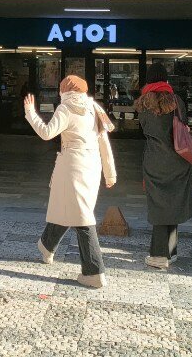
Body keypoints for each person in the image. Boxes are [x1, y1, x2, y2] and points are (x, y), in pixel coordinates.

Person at [23, 75, 117, 288]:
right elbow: (104, 141)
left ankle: (93, 272)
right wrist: (110, 173)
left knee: (82, 217)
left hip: (72, 167)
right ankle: (46, 245)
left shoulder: (65, 108)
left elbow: (47, 133)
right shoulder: (94, 107)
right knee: (69, 207)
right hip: (92, 166)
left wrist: (30, 113)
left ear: (64, 91)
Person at [136, 63, 192, 270]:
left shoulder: (143, 102)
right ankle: (171, 251)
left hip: (154, 159)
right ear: (166, 79)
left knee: (159, 204)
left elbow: (144, 129)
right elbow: (184, 125)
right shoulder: (176, 101)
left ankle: (159, 255)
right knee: (174, 202)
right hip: (178, 158)